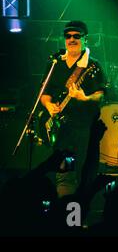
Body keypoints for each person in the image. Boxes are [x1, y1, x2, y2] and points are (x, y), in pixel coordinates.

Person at [40, 20, 107, 197]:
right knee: (62, 172)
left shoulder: (93, 65)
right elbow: (44, 92)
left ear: (86, 39)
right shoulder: (55, 63)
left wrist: (85, 97)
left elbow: (101, 94)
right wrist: (48, 105)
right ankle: (64, 214)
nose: (72, 39)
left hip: (84, 128)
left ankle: (77, 217)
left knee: (82, 173)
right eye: (68, 36)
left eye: (76, 36)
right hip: (61, 129)